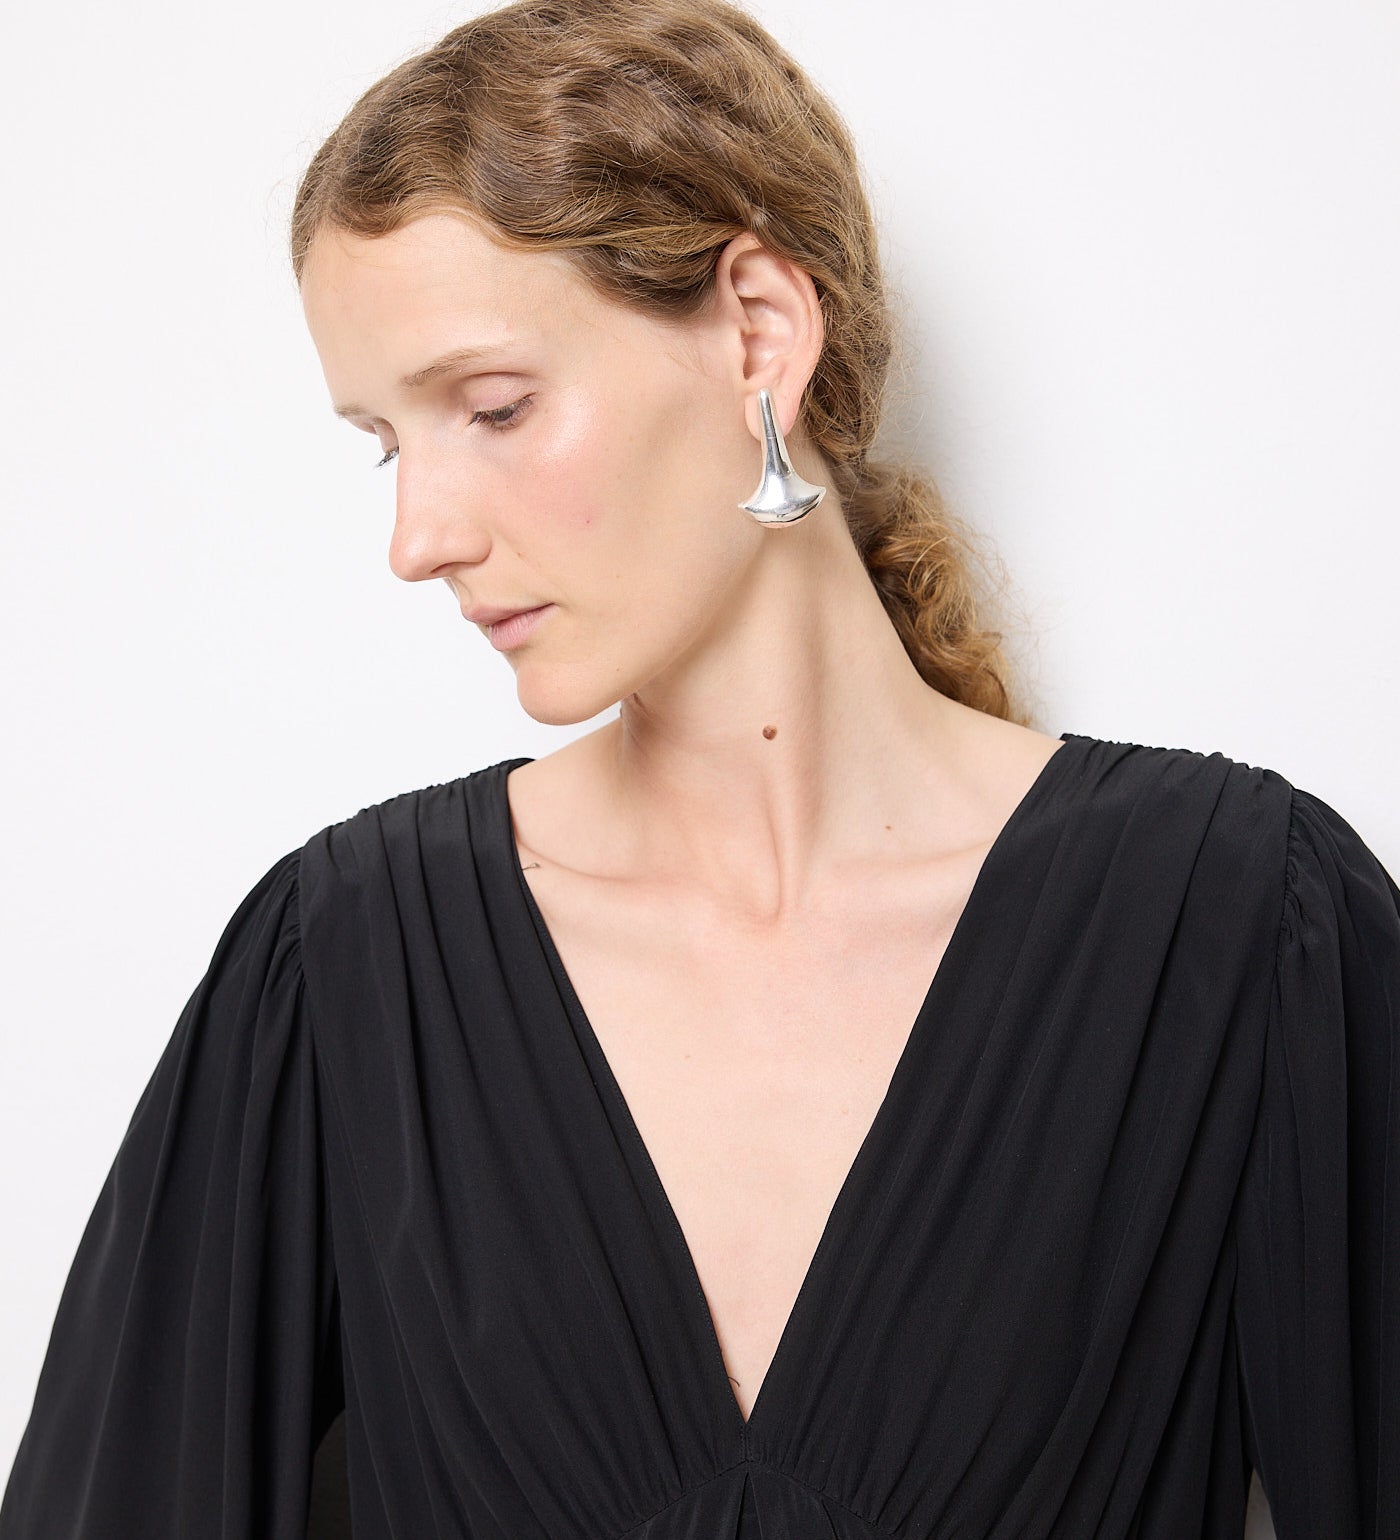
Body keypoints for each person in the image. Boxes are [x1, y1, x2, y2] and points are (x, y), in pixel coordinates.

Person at [2, 0, 1395, 1535]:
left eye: (494, 407)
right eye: (389, 444)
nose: (417, 538)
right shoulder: (340, 975)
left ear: (757, 334)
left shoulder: (1243, 929)